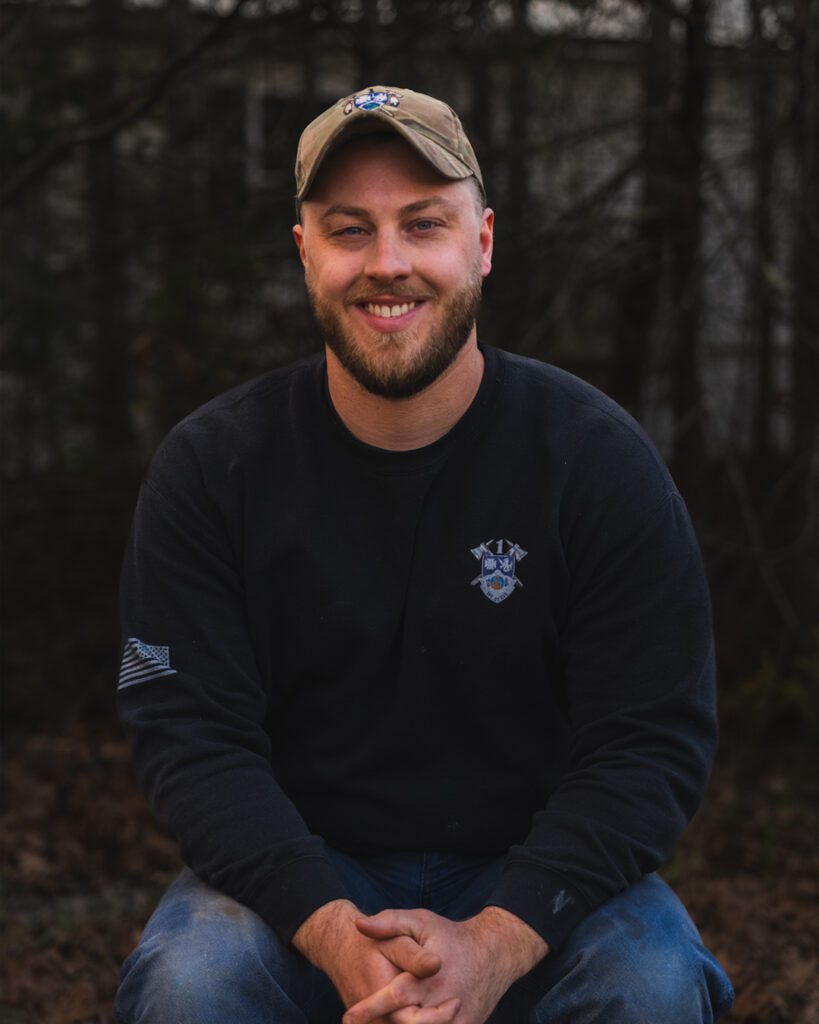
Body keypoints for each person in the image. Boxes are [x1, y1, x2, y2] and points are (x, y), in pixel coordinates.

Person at [114, 86, 734, 1024]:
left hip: (535, 880)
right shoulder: (212, 470)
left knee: (644, 982)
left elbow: (648, 743)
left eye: (423, 224)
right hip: (302, 878)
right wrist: (328, 930)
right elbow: (189, 738)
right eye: (349, 229)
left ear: (481, 244)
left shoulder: (596, 463)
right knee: (192, 983)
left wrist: (494, 941)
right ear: (304, 255)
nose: (387, 263)